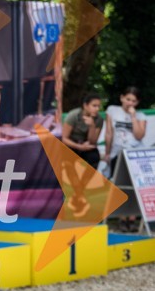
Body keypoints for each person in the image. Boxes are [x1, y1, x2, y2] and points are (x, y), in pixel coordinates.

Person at [104, 86, 147, 231]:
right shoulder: (112, 110)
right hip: (118, 153)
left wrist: (133, 116)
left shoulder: (141, 116)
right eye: (128, 99)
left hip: (135, 155)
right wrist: (107, 152)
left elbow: (139, 136)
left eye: (133, 101)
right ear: (122, 98)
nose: (130, 103)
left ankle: (133, 219)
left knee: (135, 187)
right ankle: (122, 219)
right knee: (119, 186)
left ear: (137, 103)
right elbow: (109, 133)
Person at [61, 92, 104, 169]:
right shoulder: (74, 115)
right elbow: (64, 138)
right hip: (72, 143)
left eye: (98, 106)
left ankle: (86, 180)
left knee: (94, 157)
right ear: (85, 106)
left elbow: (93, 142)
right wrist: (79, 147)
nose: (97, 109)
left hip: (86, 144)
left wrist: (92, 126)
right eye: (94, 106)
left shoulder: (99, 119)